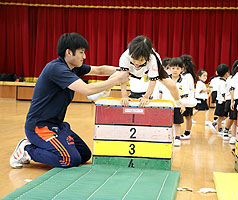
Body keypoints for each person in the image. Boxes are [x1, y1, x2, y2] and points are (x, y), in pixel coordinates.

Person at [9, 32, 129, 168]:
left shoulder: (73, 68)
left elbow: (100, 70)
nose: (84, 57)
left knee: (84, 154)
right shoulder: (56, 69)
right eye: (81, 52)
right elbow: (87, 90)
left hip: (58, 126)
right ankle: (26, 150)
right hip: (40, 127)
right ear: (68, 52)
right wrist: (118, 79)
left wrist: (124, 70)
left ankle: (44, 144)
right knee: (69, 159)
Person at [118, 36, 184, 108]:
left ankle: (178, 102)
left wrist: (146, 97)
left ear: (147, 57)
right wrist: (124, 96)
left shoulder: (152, 59)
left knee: (172, 86)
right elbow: (122, 78)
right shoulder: (125, 56)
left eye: (141, 60)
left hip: (149, 68)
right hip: (132, 69)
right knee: (115, 77)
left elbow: (153, 81)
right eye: (134, 59)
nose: (137, 63)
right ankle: (106, 91)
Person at [158, 57, 187, 147]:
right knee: (166, 122)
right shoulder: (165, 80)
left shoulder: (184, 81)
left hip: (178, 105)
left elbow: (185, 95)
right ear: (169, 68)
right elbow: (161, 92)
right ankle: (166, 137)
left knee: (177, 122)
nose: (175, 70)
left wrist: (183, 105)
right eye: (173, 68)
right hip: (166, 104)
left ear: (182, 69)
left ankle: (177, 138)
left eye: (178, 68)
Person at [222, 60, 238, 144]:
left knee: (234, 117)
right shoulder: (232, 77)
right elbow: (229, 89)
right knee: (232, 117)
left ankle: (232, 132)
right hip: (230, 99)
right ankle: (226, 130)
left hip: (235, 98)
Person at [179, 55, 197, 140]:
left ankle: (187, 132)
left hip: (186, 99)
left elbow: (188, 89)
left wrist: (185, 99)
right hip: (181, 98)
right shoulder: (183, 75)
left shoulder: (188, 76)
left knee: (188, 116)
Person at [214, 64, 230, 139]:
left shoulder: (221, 81)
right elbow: (224, 94)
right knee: (221, 117)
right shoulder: (223, 83)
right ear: (226, 73)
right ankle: (219, 129)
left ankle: (214, 123)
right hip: (221, 101)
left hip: (222, 101)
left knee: (224, 116)